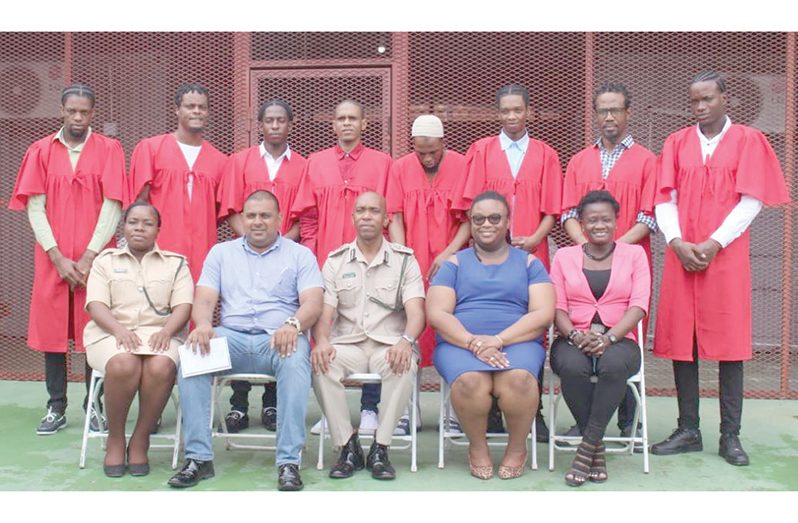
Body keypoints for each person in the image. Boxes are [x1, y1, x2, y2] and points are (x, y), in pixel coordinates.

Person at [650, 71, 790, 466]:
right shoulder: (677, 143)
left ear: (726, 99)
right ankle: (688, 429)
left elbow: (751, 201)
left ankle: (731, 435)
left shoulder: (749, 140)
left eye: (707, 99)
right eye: (694, 100)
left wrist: (714, 243)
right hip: (683, 254)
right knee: (684, 344)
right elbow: (665, 198)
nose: (700, 107)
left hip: (724, 257)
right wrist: (677, 242)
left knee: (730, 346)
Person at [167, 190, 323, 491]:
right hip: (232, 339)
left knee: (295, 362)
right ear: (241, 219)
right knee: (193, 357)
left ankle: (288, 461)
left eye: (265, 215)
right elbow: (205, 297)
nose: (257, 222)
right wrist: (201, 325)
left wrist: (293, 323)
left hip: (277, 339)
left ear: (279, 219)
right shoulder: (221, 253)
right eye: (251, 215)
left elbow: (313, 302)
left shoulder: (299, 254)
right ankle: (199, 458)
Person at [8, 83, 127, 435]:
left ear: (93, 113)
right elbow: (34, 206)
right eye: (72, 111)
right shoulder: (41, 150)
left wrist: (91, 254)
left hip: (97, 259)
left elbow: (114, 203)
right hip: (52, 259)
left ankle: (95, 406)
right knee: (53, 333)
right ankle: (55, 406)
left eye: (85, 112)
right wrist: (57, 257)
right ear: (61, 110)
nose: (78, 117)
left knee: (96, 331)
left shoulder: (109, 149)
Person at [454, 84, 562, 439]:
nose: (512, 117)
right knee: (488, 318)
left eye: (518, 110)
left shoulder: (545, 154)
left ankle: (534, 409)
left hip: (532, 250)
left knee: (532, 329)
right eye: (506, 111)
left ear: (529, 112)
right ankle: (493, 411)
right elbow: (472, 206)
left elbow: (552, 209)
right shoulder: (481, 151)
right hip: (489, 253)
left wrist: (533, 239)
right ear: (498, 114)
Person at [427, 191, 555, 480]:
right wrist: (473, 343)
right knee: (471, 382)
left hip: (518, 342)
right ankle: (478, 447)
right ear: (470, 223)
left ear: (508, 222)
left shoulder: (529, 264)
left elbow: (542, 314)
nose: (487, 224)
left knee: (519, 380)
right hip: (460, 344)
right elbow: (438, 314)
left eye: (495, 218)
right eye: (478, 218)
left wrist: (498, 340)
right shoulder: (454, 264)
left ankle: (516, 448)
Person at [560, 83, 657, 444]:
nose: (609, 117)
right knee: (580, 340)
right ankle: (586, 421)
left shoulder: (647, 160)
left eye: (616, 109)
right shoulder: (580, 160)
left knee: (624, 340)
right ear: (595, 114)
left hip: (630, 261)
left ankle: (629, 420)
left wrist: (613, 247)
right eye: (603, 110)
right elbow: (568, 212)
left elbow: (649, 217)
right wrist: (588, 245)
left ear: (628, 112)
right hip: (585, 263)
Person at [291, 99, 391, 435]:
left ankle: (369, 409)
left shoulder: (382, 163)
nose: (346, 123)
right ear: (332, 125)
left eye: (353, 119)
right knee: (326, 333)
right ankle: (328, 410)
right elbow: (308, 217)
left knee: (375, 330)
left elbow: (387, 215)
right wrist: (313, 255)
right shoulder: (316, 163)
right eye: (340, 119)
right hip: (327, 262)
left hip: (372, 263)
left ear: (365, 124)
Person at [311, 192, 425, 480]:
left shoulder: (404, 261)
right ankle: (347, 445)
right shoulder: (336, 261)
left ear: (386, 219)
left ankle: (380, 447)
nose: (366, 216)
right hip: (348, 344)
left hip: (389, 345)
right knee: (322, 364)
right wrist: (322, 341)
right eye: (360, 210)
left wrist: (406, 342)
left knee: (403, 365)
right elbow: (325, 313)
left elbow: (416, 313)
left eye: (374, 211)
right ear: (352, 217)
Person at [217, 99, 307, 434]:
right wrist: (252, 242)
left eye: (281, 120)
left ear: (289, 125)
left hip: (285, 254)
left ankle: (272, 404)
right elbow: (231, 210)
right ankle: (238, 406)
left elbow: (302, 214)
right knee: (240, 318)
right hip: (244, 253)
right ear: (260, 124)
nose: (274, 126)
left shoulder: (302, 165)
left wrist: (281, 244)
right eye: (268, 120)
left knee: (278, 320)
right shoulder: (239, 161)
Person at [549, 190, 650, 486]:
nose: (599, 225)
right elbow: (557, 306)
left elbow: (639, 305)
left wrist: (609, 338)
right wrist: (575, 335)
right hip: (573, 336)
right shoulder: (565, 256)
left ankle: (586, 447)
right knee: (572, 367)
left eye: (606, 219)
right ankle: (596, 448)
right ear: (581, 224)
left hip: (620, 338)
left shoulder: (634, 255)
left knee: (612, 366)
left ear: (617, 222)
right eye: (592, 220)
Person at [84, 202, 193, 477]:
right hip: (110, 333)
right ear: (124, 226)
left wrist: (167, 332)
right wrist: (119, 331)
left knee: (161, 367)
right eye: (133, 222)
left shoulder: (176, 263)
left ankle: (141, 438)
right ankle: (116, 438)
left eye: (147, 223)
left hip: (159, 333)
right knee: (124, 364)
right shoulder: (105, 261)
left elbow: (183, 306)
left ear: (158, 229)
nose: (139, 228)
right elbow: (96, 304)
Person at [129, 83, 227, 284]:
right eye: (190, 106)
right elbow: (140, 202)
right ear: (177, 110)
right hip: (160, 249)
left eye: (202, 107)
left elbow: (218, 213)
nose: (197, 111)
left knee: (199, 308)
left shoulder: (220, 160)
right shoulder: (151, 149)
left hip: (202, 251)